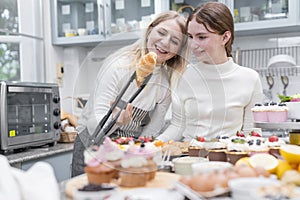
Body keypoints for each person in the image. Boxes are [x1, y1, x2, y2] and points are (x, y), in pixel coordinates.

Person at [71, 11, 188, 177]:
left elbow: (150, 131)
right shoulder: (118, 66)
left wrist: (137, 154)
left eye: (175, 41)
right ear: (150, 30)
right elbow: (92, 126)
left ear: (178, 51)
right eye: (161, 33)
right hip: (92, 149)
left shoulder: (165, 84)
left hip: (128, 152)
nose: (165, 42)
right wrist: (115, 122)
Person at [157, 2, 263, 142]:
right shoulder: (183, 75)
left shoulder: (250, 78)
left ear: (225, 37)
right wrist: (152, 146)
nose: (193, 45)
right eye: (190, 36)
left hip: (229, 158)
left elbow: (251, 133)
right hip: (190, 158)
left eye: (201, 37)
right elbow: (177, 126)